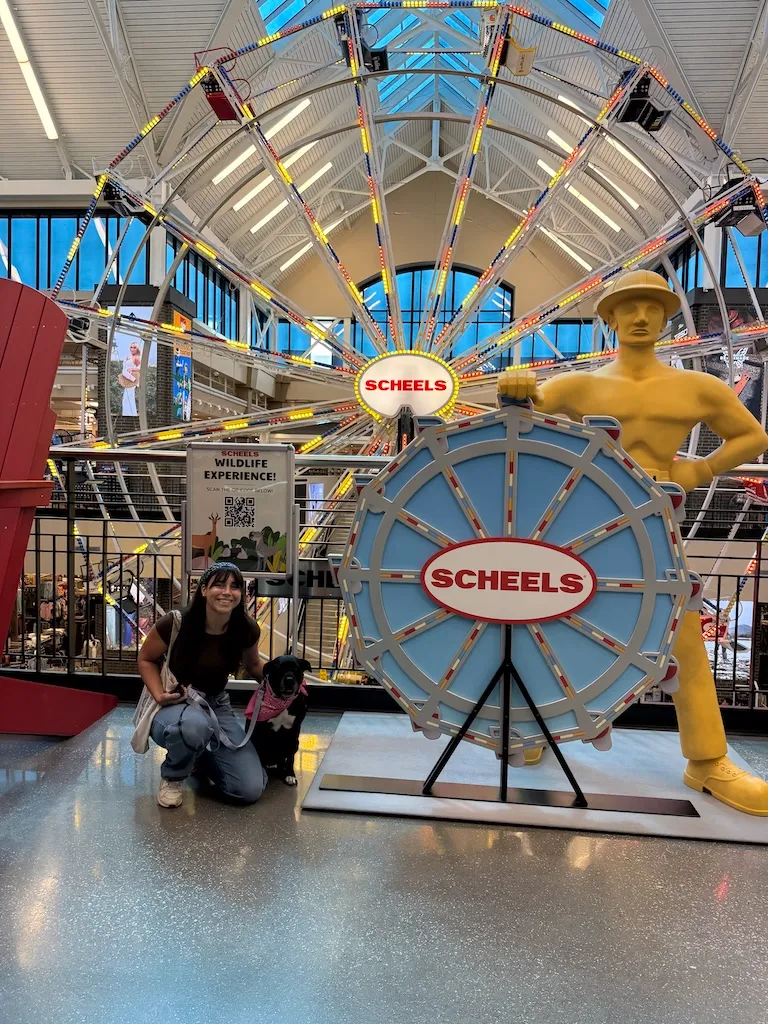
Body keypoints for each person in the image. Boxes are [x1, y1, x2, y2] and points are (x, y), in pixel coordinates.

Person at [498, 268, 768, 816]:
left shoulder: (697, 388)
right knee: (549, 623)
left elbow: (754, 435)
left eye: (652, 307)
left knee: (683, 635)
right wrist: (515, 387)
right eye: (629, 307)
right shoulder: (580, 387)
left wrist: (701, 469)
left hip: (657, 521)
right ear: (611, 319)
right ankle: (534, 727)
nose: (641, 317)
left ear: (666, 318)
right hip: (587, 522)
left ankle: (708, 760)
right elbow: (515, 418)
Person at [136, 562, 267, 808]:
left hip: (216, 703)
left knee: (248, 789)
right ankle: (173, 776)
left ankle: (197, 758)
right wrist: (159, 695)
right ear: (204, 590)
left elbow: (253, 665)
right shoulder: (175, 622)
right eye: (219, 585)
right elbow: (146, 659)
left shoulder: (245, 629)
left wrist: (281, 684)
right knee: (192, 727)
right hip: (175, 702)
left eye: (235, 587)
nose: (227, 592)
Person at [120, 341, 142, 416]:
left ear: (137, 349)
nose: (132, 349)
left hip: (131, 379)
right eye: (131, 347)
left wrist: (132, 369)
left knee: (128, 397)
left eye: (134, 347)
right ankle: (129, 413)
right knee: (127, 397)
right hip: (127, 378)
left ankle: (129, 413)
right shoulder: (130, 357)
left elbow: (140, 368)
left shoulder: (137, 357)